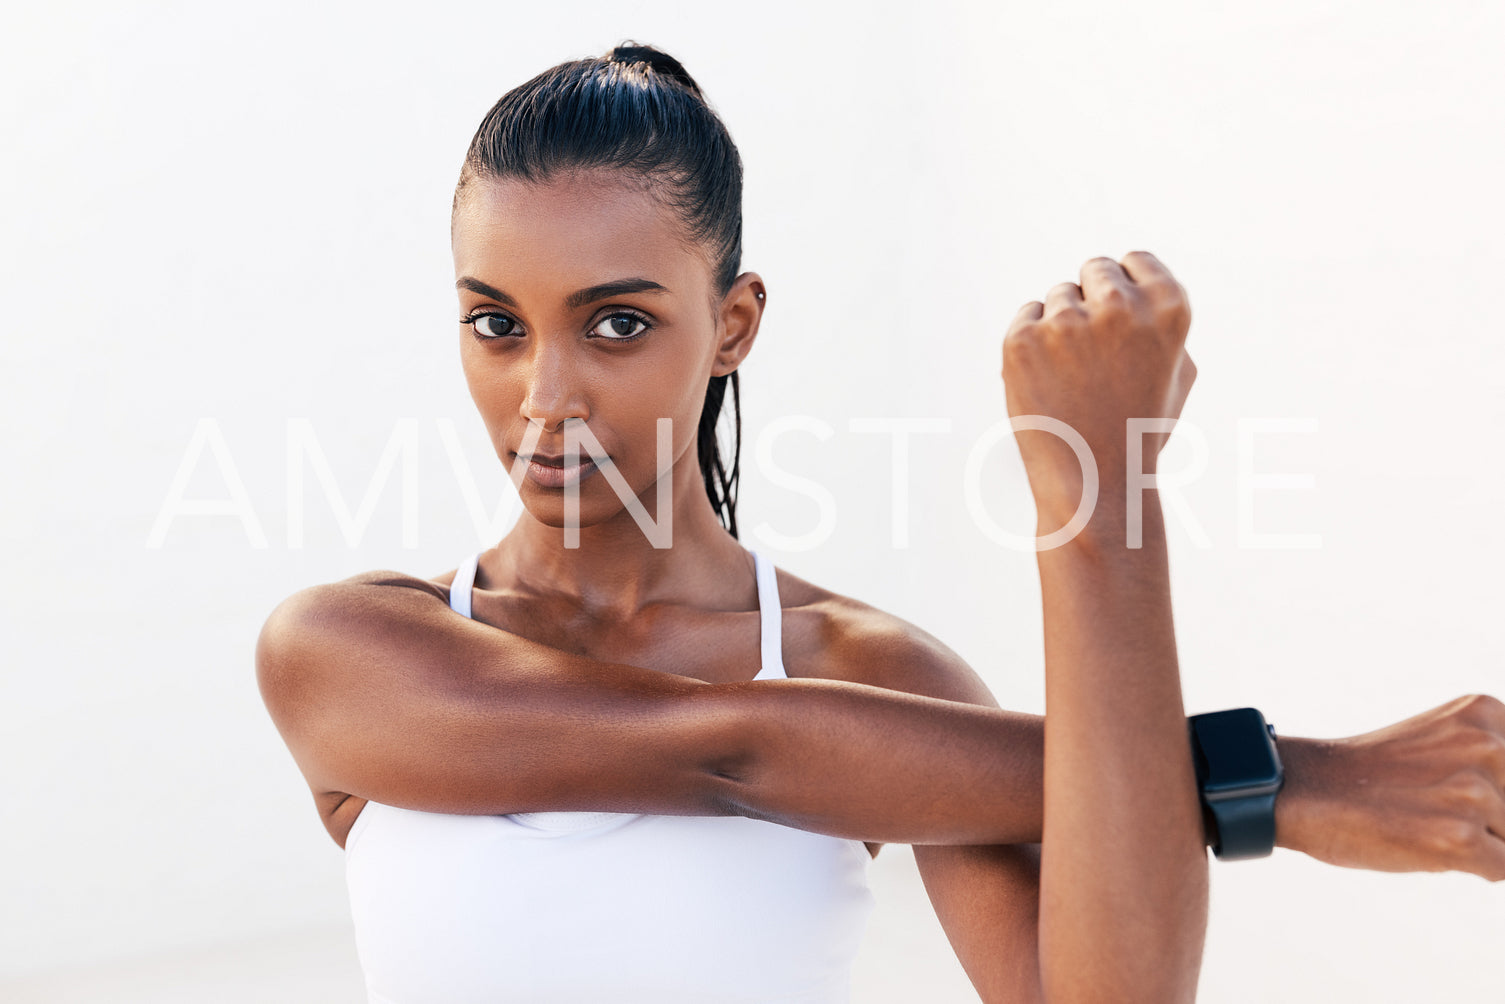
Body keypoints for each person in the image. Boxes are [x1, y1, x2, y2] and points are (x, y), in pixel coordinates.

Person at [255, 42, 1505, 1004]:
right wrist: (1283, 781)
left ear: (733, 326)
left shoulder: (873, 674)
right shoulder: (346, 651)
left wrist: (1100, 487)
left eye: (617, 323)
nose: (543, 396)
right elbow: (725, 749)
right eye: (496, 323)